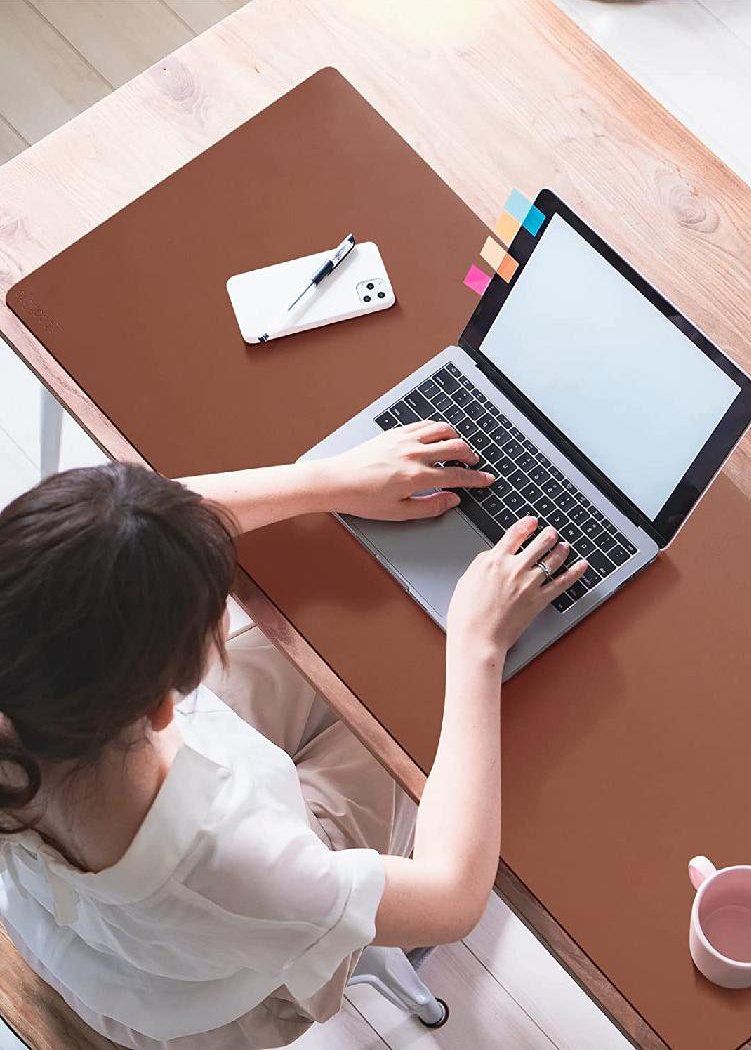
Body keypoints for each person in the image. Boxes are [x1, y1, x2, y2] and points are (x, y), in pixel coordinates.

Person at [0, 420, 587, 1049]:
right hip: (214, 991)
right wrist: (478, 647)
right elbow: (454, 897)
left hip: (93, 931)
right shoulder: (241, 869)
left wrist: (328, 479)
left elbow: (119, 540)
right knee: (411, 712)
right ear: (164, 705)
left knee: (346, 634)